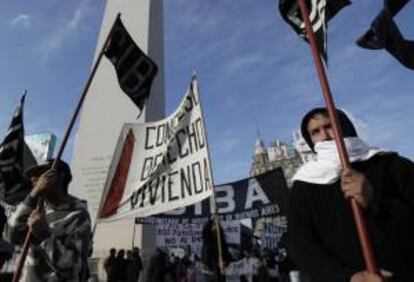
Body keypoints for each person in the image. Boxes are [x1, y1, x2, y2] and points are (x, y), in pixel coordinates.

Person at [287, 108, 414, 282]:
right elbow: (302, 247)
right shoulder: (303, 186)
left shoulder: (391, 165)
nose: (325, 136)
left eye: (329, 126)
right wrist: (350, 278)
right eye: (315, 132)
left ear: (345, 126)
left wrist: (375, 200)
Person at [6, 159, 92, 281]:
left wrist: (44, 236)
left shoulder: (78, 215)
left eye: (39, 173)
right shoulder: (33, 208)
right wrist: (33, 195)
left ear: (59, 177)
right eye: (32, 176)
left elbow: (74, 268)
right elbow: (11, 235)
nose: (33, 179)